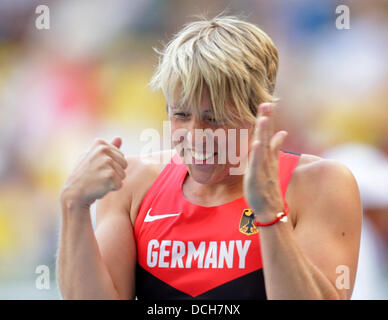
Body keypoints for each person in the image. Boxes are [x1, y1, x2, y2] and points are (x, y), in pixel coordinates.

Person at [57, 15, 362, 300]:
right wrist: (73, 205)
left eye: (213, 119)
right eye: (181, 115)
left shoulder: (320, 184)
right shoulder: (132, 184)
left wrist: (270, 215)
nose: (194, 134)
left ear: (259, 114)